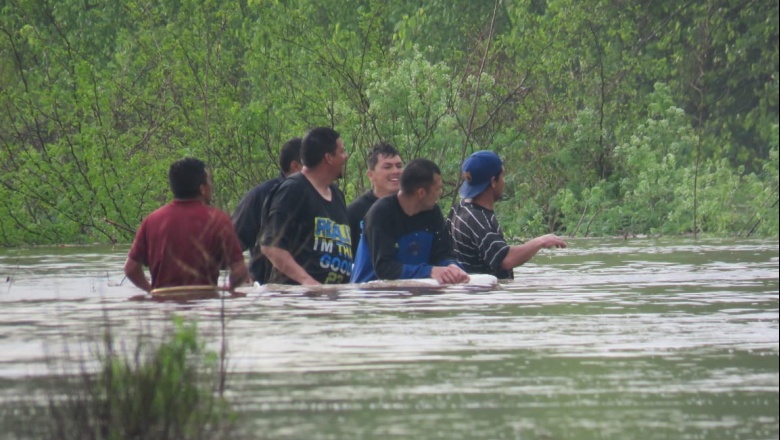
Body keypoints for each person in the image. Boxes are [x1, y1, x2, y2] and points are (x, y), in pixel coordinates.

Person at [124, 157, 249, 293]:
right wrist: (230, 289)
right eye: (209, 181)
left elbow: (131, 269)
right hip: (205, 305)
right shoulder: (218, 219)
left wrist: (152, 291)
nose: (211, 186)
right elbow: (239, 271)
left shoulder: (151, 220)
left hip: (163, 307)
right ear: (202, 188)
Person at [448, 151, 567, 280]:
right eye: (503, 177)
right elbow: (505, 259)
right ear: (493, 181)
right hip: (483, 296)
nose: (504, 183)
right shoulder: (476, 219)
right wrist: (541, 241)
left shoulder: (458, 208)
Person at [350, 158, 470, 285]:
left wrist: (452, 267)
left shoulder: (432, 213)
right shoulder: (381, 213)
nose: (440, 193)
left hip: (413, 294)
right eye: (438, 189)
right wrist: (430, 271)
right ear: (421, 193)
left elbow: (443, 254)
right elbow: (385, 269)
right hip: (371, 294)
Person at [260, 127, 352, 285]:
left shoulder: (337, 195)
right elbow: (271, 246)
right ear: (328, 158)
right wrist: (308, 282)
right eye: (342, 152)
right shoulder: (293, 190)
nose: (346, 157)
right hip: (298, 302)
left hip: (334, 300)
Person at [231, 138, 303, 283]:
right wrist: (240, 271)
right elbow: (231, 242)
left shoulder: (324, 196)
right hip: (270, 287)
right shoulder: (261, 195)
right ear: (295, 166)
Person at [347, 142, 404, 255]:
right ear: (370, 175)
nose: (396, 171)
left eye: (399, 166)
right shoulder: (354, 212)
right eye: (387, 167)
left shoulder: (412, 207)